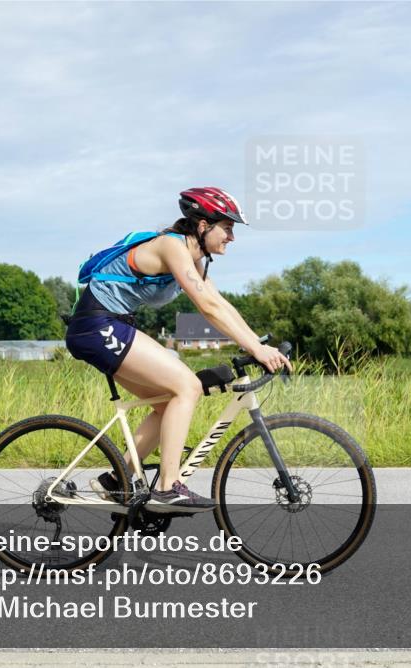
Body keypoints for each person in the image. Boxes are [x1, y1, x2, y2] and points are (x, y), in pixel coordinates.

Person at [64, 187, 292, 513]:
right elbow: (208, 307)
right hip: (96, 326)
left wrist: (258, 343)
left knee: (166, 402)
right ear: (202, 225)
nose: (232, 236)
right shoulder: (172, 246)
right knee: (187, 386)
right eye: (226, 227)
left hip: (114, 325)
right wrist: (256, 349)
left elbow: (219, 304)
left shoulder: (194, 258)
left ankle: (116, 481)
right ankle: (167, 488)